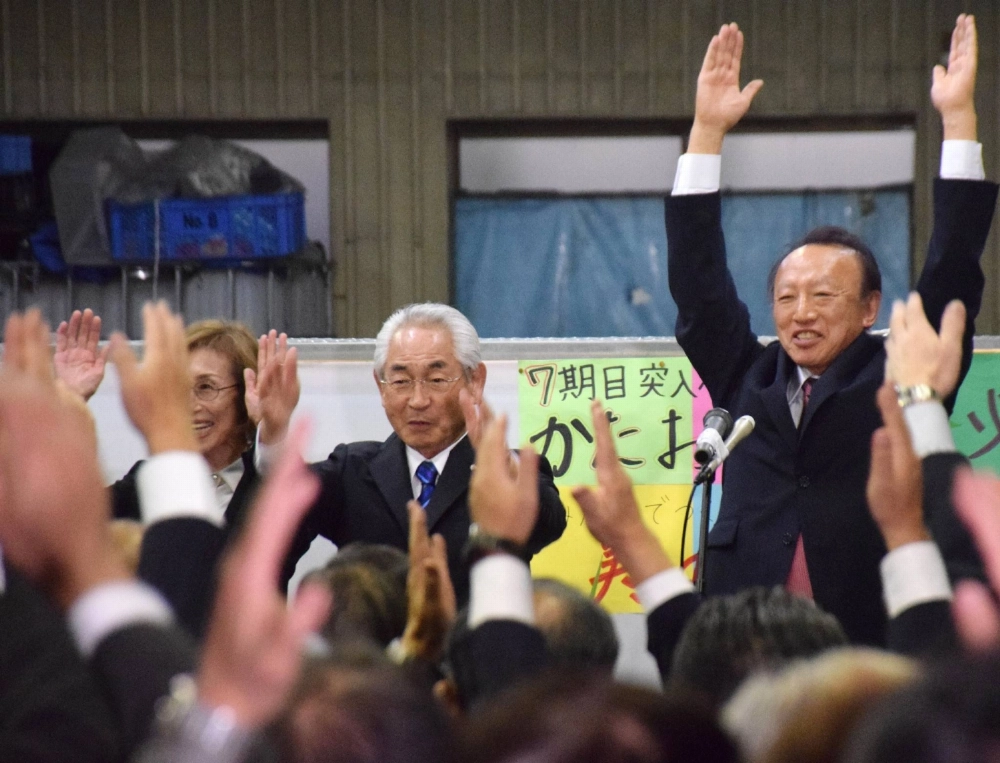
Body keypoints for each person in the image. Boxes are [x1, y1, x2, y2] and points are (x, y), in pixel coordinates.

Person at [664, 17, 997, 645]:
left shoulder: (901, 372)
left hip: (868, 627)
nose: (801, 313)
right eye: (786, 298)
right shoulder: (748, 373)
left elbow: (953, 269)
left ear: (871, 308)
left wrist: (957, 122)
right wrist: (706, 134)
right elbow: (699, 285)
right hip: (748, 632)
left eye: (823, 296)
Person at [256, 302, 567, 605]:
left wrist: (505, 472)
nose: (418, 400)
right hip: (373, 656)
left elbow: (548, 524)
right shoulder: (351, 471)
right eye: (401, 381)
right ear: (381, 387)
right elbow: (283, 508)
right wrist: (274, 430)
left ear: (475, 381)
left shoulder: (508, 468)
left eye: (436, 380)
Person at [55, 312, 310, 634]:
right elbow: (66, 521)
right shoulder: (148, 481)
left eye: (206, 388)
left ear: (246, 395)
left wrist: (274, 426)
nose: (189, 405)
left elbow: (288, 487)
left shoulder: (270, 488)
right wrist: (69, 400)